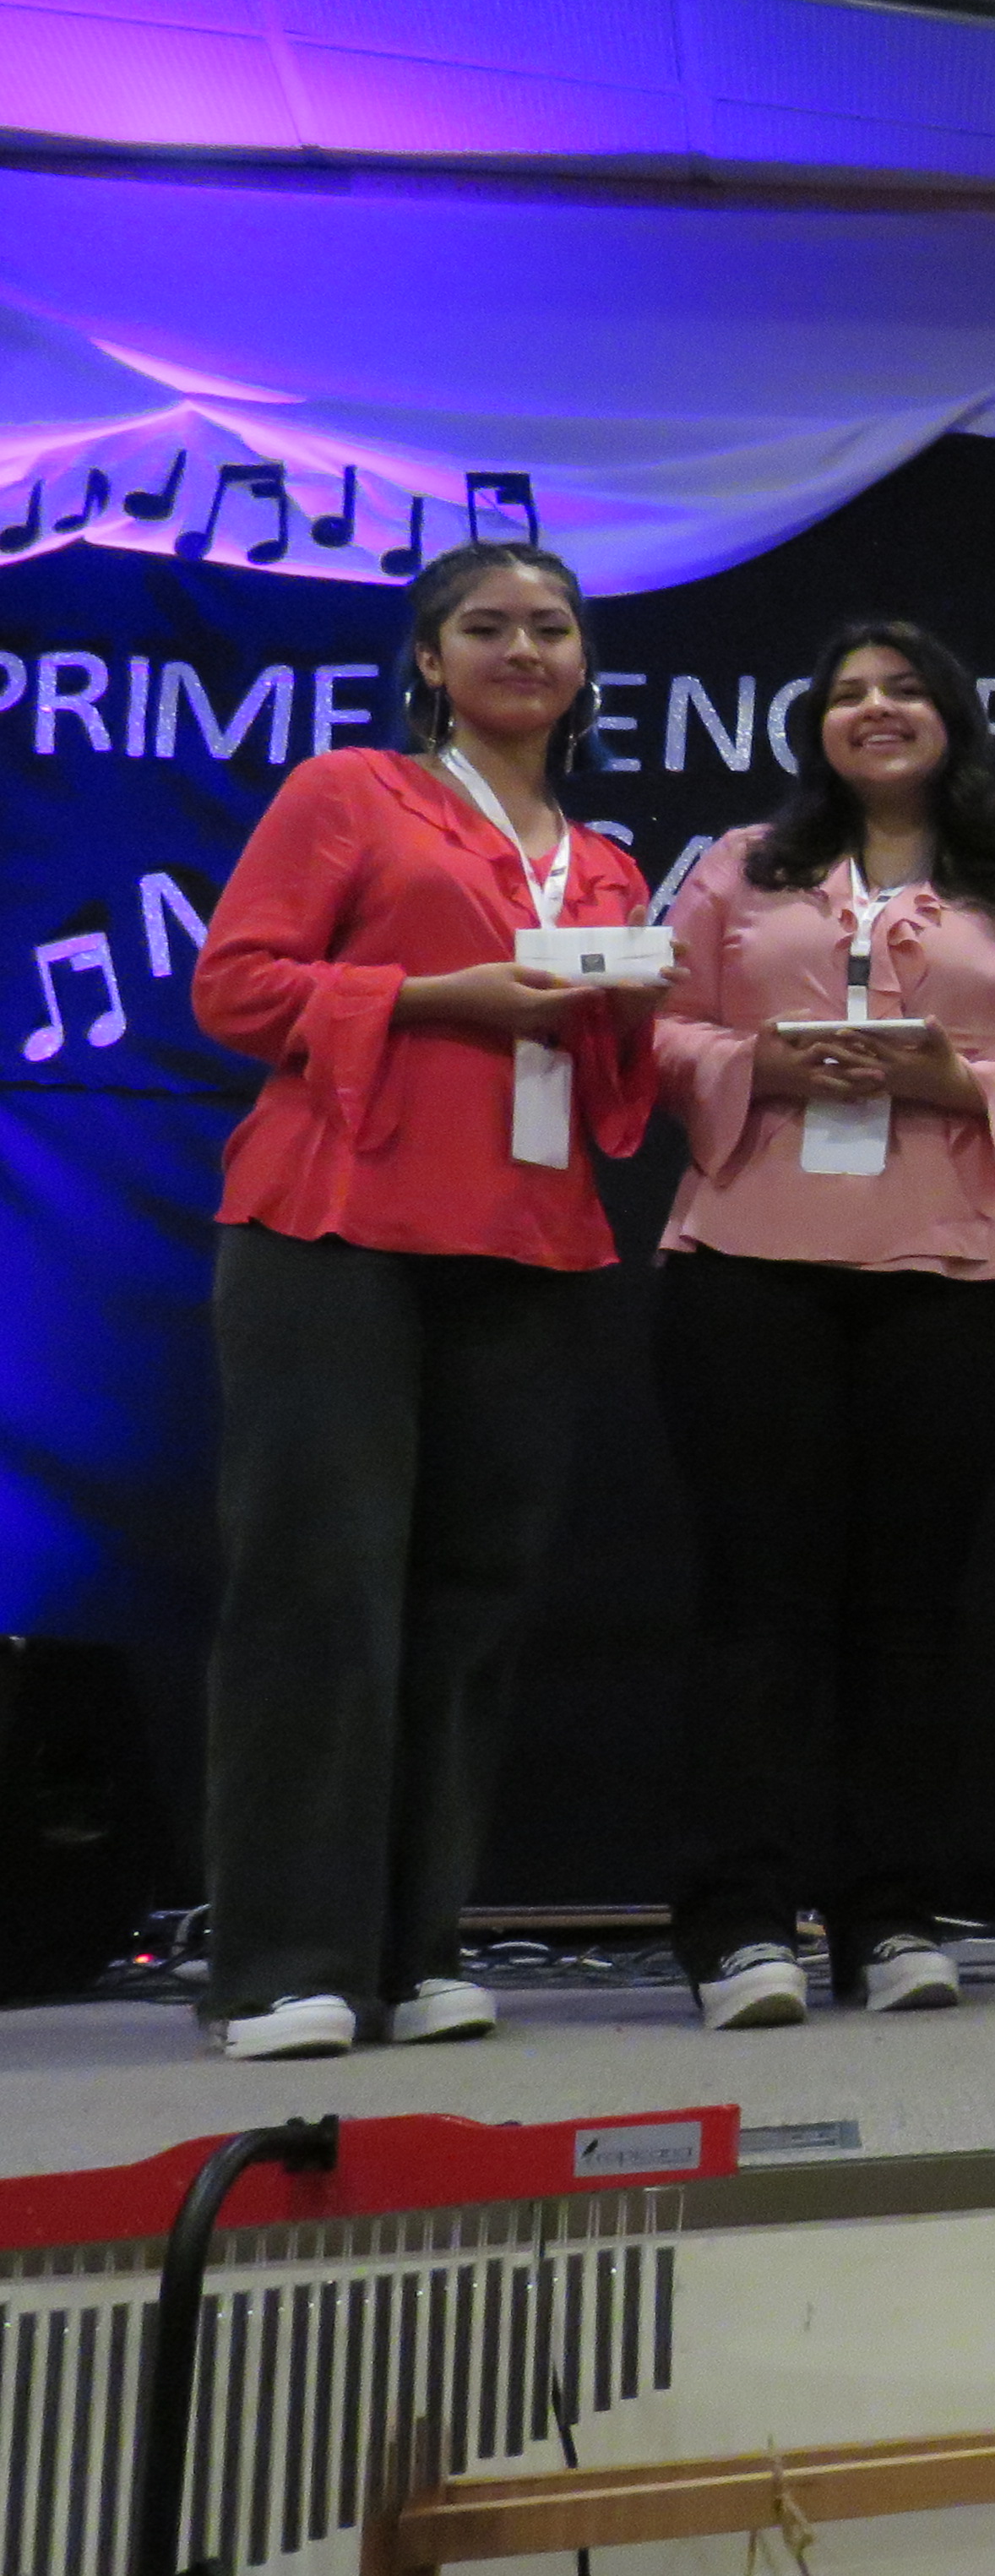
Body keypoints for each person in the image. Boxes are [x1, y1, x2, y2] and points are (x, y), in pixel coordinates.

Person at [188, 542, 671, 2061]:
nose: (523, 649)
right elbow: (233, 986)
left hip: (525, 1241)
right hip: (337, 1227)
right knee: (320, 1589)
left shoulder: (604, 864)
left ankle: (415, 1950)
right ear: (430, 657)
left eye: (551, 627)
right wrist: (421, 997)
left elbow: (613, 1096)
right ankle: (285, 1964)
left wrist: (633, 1013)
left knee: (471, 1606)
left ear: (583, 664)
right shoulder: (353, 794)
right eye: (488, 626)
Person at [650, 621, 995, 2029]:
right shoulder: (742, 867)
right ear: (817, 728)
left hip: (957, 1267)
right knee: (760, 1599)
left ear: (954, 717)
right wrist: (770, 1062)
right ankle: (742, 1925)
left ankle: (891, 1914)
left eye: (905, 690)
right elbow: (658, 1028)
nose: (875, 709)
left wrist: (959, 1082)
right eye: (848, 694)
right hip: (751, 1259)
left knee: (912, 1607)